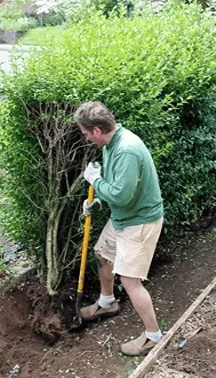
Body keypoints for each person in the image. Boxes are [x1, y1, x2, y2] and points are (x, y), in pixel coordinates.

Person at [73, 101, 164, 357]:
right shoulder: (111, 145)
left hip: (140, 221)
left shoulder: (126, 150)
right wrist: (98, 199)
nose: (87, 138)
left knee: (130, 280)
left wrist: (95, 181)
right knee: (103, 254)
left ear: (98, 130)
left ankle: (153, 337)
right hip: (123, 216)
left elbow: (121, 196)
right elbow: (117, 188)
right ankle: (107, 302)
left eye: (86, 133)